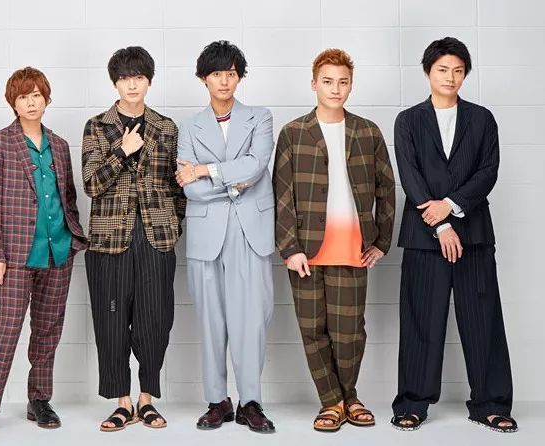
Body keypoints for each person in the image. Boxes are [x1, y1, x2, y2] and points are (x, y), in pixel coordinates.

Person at [391, 37, 517, 433]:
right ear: (428, 72)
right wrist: (440, 223)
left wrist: (451, 205)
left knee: (483, 321)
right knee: (421, 320)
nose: (451, 77)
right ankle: (413, 403)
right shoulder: (408, 121)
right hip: (424, 237)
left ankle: (491, 404)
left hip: (473, 235)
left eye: (458, 70)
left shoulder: (482, 119)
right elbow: (410, 176)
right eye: (443, 69)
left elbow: (488, 171)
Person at [273, 48, 396, 432]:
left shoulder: (368, 132)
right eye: (327, 81)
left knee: (349, 332)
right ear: (314, 84)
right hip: (306, 252)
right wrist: (289, 248)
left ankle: (349, 396)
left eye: (343, 82)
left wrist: (382, 241)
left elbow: (387, 189)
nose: (335, 89)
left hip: (352, 248)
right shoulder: (293, 133)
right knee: (313, 331)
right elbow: (282, 195)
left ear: (351, 86)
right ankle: (332, 402)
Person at [0, 67, 87, 436]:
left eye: (36, 95)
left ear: (46, 98)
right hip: (16, 255)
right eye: (23, 96)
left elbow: (68, 197)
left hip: (58, 252)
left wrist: (73, 236)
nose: (31, 102)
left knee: (48, 329)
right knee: (8, 327)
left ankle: (39, 399)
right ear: (13, 103)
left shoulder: (60, 145)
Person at [82, 46, 185, 432]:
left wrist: (173, 227)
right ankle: (122, 403)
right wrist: (122, 152)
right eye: (124, 78)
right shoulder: (97, 126)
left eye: (138, 77)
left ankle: (147, 399)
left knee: (155, 321)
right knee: (111, 322)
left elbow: (177, 187)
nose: (132, 85)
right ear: (115, 83)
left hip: (156, 239)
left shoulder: (166, 127)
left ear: (149, 81)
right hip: (109, 241)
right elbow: (92, 185)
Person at [176, 40, 275, 434]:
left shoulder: (260, 117)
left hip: (250, 233)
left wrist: (206, 170)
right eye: (216, 73)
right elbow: (189, 188)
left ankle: (251, 402)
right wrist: (234, 181)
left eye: (231, 73)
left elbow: (256, 164)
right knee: (211, 321)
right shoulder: (189, 127)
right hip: (206, 235)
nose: (224, 80)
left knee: (251, 321)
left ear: (239, 77)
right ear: (204, 78)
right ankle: (218, 401)